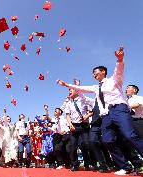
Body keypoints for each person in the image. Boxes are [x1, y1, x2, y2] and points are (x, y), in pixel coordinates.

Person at [57, 47, 143, 175]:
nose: (93, 74)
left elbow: (119, 71)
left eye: (95, 72)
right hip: (107, 115)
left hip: (119, 109)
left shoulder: (114, 80)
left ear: (103, 72)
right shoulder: (95, 88)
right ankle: (125, 167)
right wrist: (67, 85)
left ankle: (136, 162)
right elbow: (81, 88)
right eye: (92, 73)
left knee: (129, 135)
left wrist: (119, 59)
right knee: (107, 140)